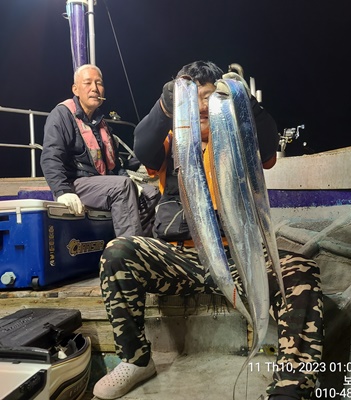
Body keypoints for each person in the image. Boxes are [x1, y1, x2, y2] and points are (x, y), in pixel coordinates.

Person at [93, 61, 324, 400]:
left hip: (238, 256)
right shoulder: (172, 139)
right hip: (181, 258)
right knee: (118, 252)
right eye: (194, 97)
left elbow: (267, 147)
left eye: (209, 96)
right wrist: (165, 105)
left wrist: (246, 103)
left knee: (301, 270)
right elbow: (142, 146)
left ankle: (292, 386)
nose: (202, 106)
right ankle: (136, 360)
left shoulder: (238, 136)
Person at [41, 64, 158, 237]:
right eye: (88, 83)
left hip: (101, 184)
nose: (95, 88)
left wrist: (133, 183)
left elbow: (114, 166)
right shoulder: (62, 115)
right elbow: (51, 157)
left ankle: (141, 244)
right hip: (76, 183)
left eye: (99, 83)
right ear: (75, 89)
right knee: (122, 186)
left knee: (151, 193)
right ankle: (130, 249)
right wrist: (62, 191)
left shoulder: (102, 124)